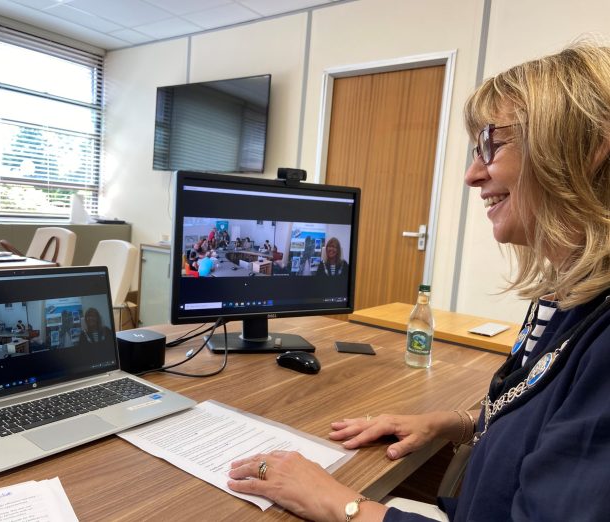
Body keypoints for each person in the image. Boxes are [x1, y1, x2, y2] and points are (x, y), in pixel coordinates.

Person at [228, 43, 610, 521]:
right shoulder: (570, 296)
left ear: (586, 145)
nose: (472, 175)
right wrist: (455, 423)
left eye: (491, 144)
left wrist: (339, 503)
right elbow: (541, 411)